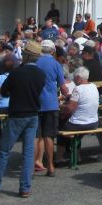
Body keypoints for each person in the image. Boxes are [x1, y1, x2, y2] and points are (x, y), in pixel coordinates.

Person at [0, 39, 46, 198]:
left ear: (26, 55)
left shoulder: (17, 73)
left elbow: (4, 91)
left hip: (17, 113)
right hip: (33, 113)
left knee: (4, 151)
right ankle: (25, 187)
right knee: (28, 152)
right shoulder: (40, 74)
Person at [34, 39, 69, 176]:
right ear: (53, 51)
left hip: (35, 102)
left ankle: (32, 166)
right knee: (49, 136)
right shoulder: (55, 64)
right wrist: (69, 95)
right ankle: (50, 166)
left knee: (35, 136)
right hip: (51, 103)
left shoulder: (35, 62)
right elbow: (63, 86)